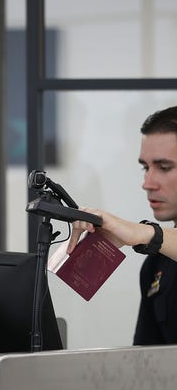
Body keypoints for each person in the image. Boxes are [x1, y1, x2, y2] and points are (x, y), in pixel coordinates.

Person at [68, 105, 177, 346]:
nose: (147, 183)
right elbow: (145, 364)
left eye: (164, 167)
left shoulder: (152, 243)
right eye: (145, 168)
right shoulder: (155, 265)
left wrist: (145, 233)